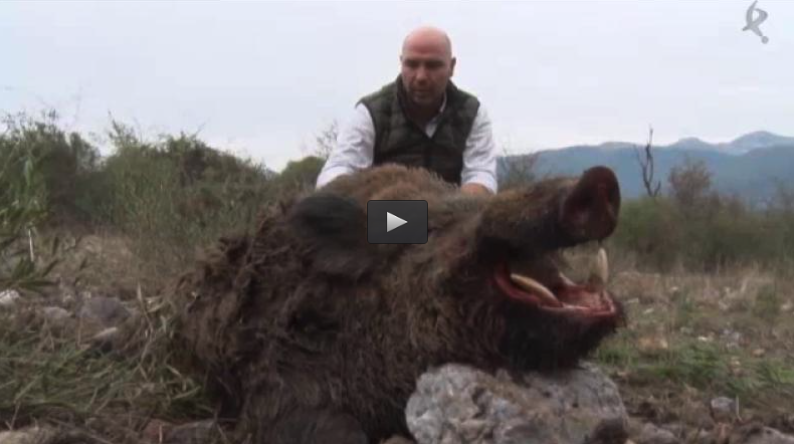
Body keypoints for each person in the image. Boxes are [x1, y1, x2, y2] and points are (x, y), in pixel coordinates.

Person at [315, 26, 498, 196]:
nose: (421, 77)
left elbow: (481, 176)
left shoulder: (471, 112)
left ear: (451, 67)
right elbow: (338, 169)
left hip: (451, 219)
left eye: (433, 66)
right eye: (412, 64)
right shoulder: (372, 111)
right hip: (385, 217)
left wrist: (449, 213)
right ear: (401, 63)